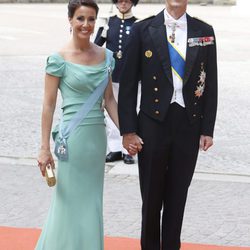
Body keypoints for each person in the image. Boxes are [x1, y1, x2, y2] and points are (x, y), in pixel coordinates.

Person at [118, 0, 218, 249]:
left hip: (188, 124)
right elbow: (128, 84)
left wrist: (207, 128)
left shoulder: (203, 31)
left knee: (177, 199)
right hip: (152, 123)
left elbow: (211, 84)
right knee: (151, 199)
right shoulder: (143, 30)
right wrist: (128, 130)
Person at [35, 0, 119, 249]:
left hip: (96, 139)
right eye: (80, 18)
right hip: (72, 140)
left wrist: (128, 132)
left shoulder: (106, 57)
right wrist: (43, 148)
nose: (86, 24)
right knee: (68, 202)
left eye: (91, 19)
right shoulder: (58, 59)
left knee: (92, 202)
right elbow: (48, 106)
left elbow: (110, 100)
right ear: (70, 20)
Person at [94, 0, 139, 164]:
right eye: (120, 0)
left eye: (128, 1)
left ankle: (129, 150)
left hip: (131, 76)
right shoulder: (109, 22)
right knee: (111, 110)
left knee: (130, 111)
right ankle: (115, 148)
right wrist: (101, 31)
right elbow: (95, 46)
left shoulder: (137, 24)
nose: (124, 3)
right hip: (112, 75)